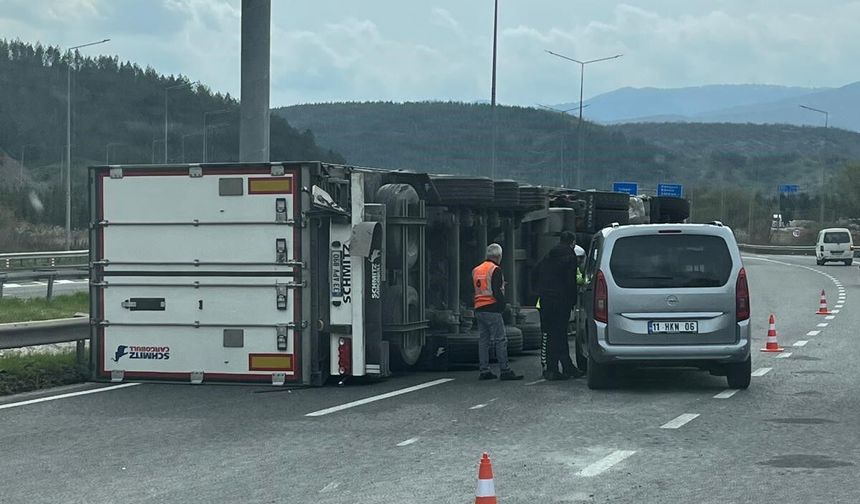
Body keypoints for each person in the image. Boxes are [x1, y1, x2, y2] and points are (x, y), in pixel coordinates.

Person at [534, 231, 584, 380]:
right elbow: (570, 281)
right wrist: (572, 301)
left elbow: (535, 271)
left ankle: (553, 368)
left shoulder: (548, 255)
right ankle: (564, 368)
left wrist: (540, 290)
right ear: (572, 242)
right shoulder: (570, 256)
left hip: (546, 300)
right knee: (560, 334)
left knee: (550, 335)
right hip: (560, 301)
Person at [472, 243, 524, 381]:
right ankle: (505, 370)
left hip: (479, 308)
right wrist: (503, 306)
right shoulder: (495, 269)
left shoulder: (476, 269)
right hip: (492, 308)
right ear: (498, 256)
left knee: (484, 340)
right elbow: (496, 291)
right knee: (501, 339)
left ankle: (484, 370)